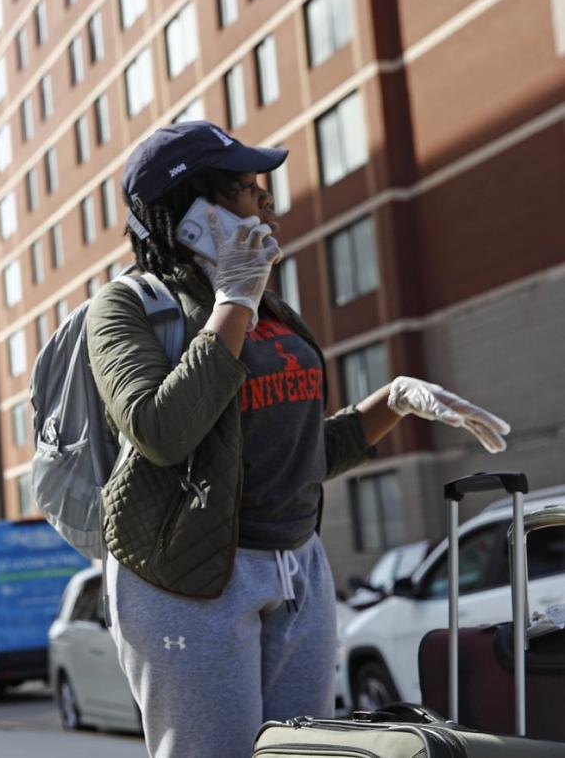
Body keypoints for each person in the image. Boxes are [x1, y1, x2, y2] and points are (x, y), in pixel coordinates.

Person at [85, 121, 510, 758]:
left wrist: (390, 402)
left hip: (298, 567)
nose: (269, 208)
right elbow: (160, 433)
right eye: (250, 192)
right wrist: (233, 298)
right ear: (196, 213)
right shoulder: (124, 308)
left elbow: (300, 454)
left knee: (304, 754)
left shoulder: (270, 306)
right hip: (188, 581)